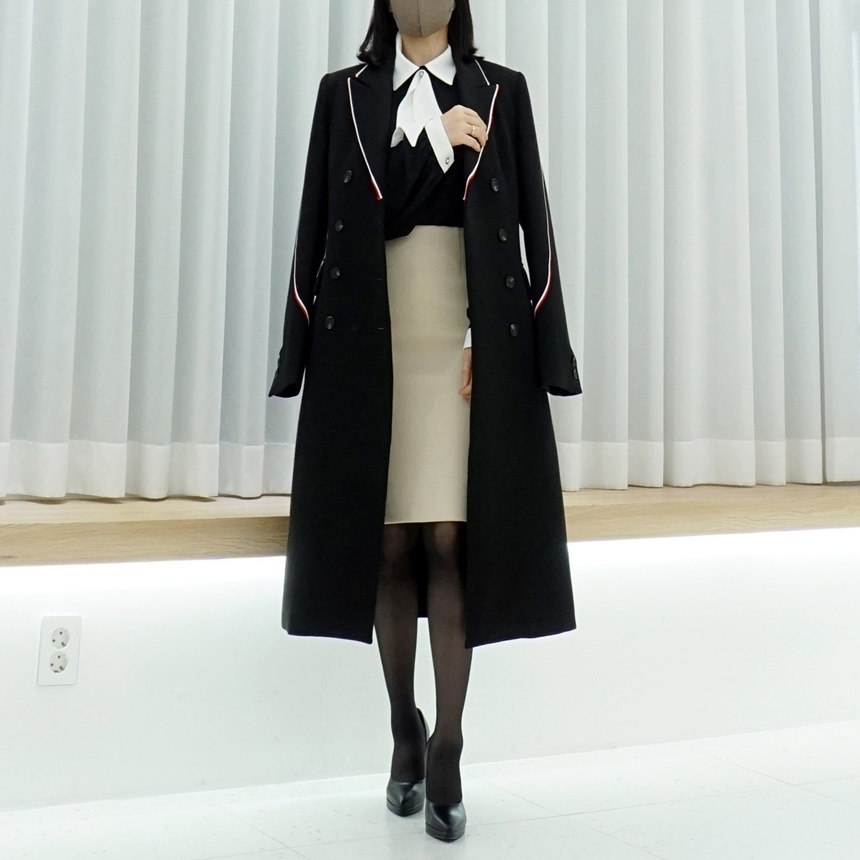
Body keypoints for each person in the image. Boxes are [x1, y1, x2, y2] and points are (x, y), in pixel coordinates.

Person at [268, 0, 582, 843]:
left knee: (448, 535)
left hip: (461, 331)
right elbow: (322, 225)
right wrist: (297, 352)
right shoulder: (343, 94)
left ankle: (447, 743)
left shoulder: (502, 90)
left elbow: (533, 225)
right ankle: (401, 726)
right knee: (389, 541)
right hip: (372, 331)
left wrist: (520, 347)